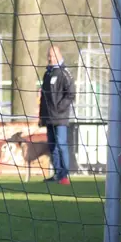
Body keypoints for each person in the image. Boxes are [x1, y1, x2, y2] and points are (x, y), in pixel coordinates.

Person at [39, 45, 75, 185]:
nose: (50, 58)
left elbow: (71, 93)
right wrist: (42, 116)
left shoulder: (64, 73)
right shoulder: (47, 73)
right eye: (49, 55)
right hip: (49, 117)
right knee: (52, 146)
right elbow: (43, 96)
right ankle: (57, 174)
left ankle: (65, 175)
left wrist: (60, 107)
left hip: (60, 117)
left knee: (61, 144)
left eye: (53, 55)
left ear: (59, 55)